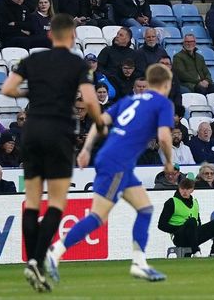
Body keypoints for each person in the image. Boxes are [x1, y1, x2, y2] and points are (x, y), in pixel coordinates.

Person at [43, 63, 175, 285]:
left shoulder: (130, 100)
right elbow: (163, 137)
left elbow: (99, 121)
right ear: (167, 84)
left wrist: (86, 149)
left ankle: (139, 264)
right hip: (117, 163)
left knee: (145, 209)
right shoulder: (163, 104)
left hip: (116, 161)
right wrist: (169, 161)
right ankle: (55, 251)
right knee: (97, 217)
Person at [0, 13, 101, 291]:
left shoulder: (33, 60)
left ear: (49, 35)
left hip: (32, 131)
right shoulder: (77, 64)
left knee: (32, 201)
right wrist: (100, 120)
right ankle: (35, 259)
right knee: (56, 202)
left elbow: (7, 88)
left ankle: (32, 261)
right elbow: (90, 101)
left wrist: (31, 94)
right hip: (59, 132)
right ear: (73, 36)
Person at [156, 176, 214, 258]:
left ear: (192, 190)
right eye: (182, 188)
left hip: (193, 235)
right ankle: (196, 251)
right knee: (192, 221)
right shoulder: (172, 202)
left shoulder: (195, 203)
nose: (185, 191)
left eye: (187, 189)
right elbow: (161, 225)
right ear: (179, 188)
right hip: (179, 236)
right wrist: (178, 229)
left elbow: (199, 222)